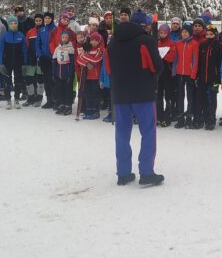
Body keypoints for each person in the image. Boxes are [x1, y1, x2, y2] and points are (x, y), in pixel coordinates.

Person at [107, 10, 164, 186]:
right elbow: (156, 66)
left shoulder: (112, 43)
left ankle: (123, 173)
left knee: (121, 134)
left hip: (120, 93)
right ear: (143, 25)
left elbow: (108, 68)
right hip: (143, 92)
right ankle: (146, 172)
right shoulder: (146, 41)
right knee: (148, 132)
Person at [197, 24, 222, 130]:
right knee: (203, 97)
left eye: (211, 34)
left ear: (215, 35)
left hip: (214, 78)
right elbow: (200, 63)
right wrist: (198, 76)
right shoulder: (202, 45)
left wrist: (218, 79)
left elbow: (220, 64)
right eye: (207, 34)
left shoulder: (219, 47)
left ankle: (211, 118)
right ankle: (205, 116)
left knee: (212, 98)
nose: (208, 36)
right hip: (203, 77)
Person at [0, 15, 28, 109]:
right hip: (7, 62)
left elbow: (25, 50)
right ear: (8, 25)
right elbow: (0, 50)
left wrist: (25, 63)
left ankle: (16, 99)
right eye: (11, 23)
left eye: (15, 23)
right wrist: (1, 63)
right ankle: (8, 99)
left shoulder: (21, 35)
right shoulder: (4, 36)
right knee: (7, 81)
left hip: (19, 62)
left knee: (18, 81)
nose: (13, 25)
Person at [173, 24, 198, 128]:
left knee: (190, 96)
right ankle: (180, 119)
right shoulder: (178, 43)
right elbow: (175, 59)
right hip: (179, 73)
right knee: (180, 96)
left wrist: (193, 73)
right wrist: (174, 71)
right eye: (183, 32)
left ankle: (189, 118)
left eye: (186, 32)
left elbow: (195, 60)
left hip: (189, 74)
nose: (184, 33)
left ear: (190, 33)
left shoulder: (194, 43)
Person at [76, 32, 104, 119]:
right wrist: (87, 64)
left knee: (95, 93)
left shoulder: (100, 49)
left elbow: (96, 60)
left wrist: (85, 56)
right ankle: (89, 109)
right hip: (86, 75)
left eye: (96, 40)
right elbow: (78, 59)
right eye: (92, 40)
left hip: (95, 76)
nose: (94, 42)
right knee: (88, 93)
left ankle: (95, 111)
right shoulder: (87, 48)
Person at [155, 23, 177, 127]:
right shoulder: (157, 43)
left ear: (168, 33)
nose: (162, 34)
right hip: (159, 73)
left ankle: (167, 116)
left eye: (164, 33)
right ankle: (159, 116)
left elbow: (172, 56)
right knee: (158, 95)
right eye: (161, 32)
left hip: (168, 72)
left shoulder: (171, 43)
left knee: (168, 95)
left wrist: (163, 56)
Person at [51, 30, 76, 115]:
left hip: (67, 73)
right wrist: (54, 73)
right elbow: (54, 61)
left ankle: (68, 106)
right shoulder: (57, 48)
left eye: (66, 37)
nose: (64, 39)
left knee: (68, 91)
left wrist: (70, 74)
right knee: (60, 90)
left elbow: (72, 63)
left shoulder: (71, 48)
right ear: (60, 38)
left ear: (68, 38)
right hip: (59, 73)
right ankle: (61, 105)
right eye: (63, 37)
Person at [22, 13, 44, 106]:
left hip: (41, 59)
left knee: (40, 79)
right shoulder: (30, 31)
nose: (38, 22)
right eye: (36, 20)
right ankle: (30, 97)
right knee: (28, 78)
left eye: (40, 20)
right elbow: (26, 46)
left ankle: (39, 98)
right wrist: (28, 57)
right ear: (34, 21)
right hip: (32, 59)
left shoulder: (44, 31)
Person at [37, 12, 57, 108]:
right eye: (46, 18)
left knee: (53, 79)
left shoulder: (55, 29)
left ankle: (55, 99)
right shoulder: (41, 30)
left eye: (49, 18)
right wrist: (40, 55)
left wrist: (55, 55)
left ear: (52, 19)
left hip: (53, 58)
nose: (47, 20)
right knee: (46, 80)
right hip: (44, 58)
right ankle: (49, 99)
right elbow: (38, 44)